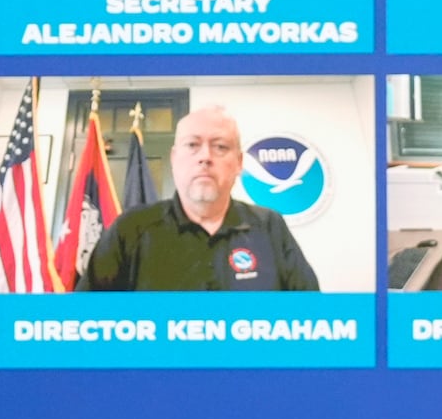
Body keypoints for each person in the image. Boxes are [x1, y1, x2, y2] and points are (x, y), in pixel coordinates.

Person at [77, 107, 319, 291]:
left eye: (221, 147)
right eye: (192, 144)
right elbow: (86, 323)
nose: (205, 157)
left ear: (239, 163)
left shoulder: (269, 227)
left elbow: (311, 320)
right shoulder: (130, 229)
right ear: (174, 158)